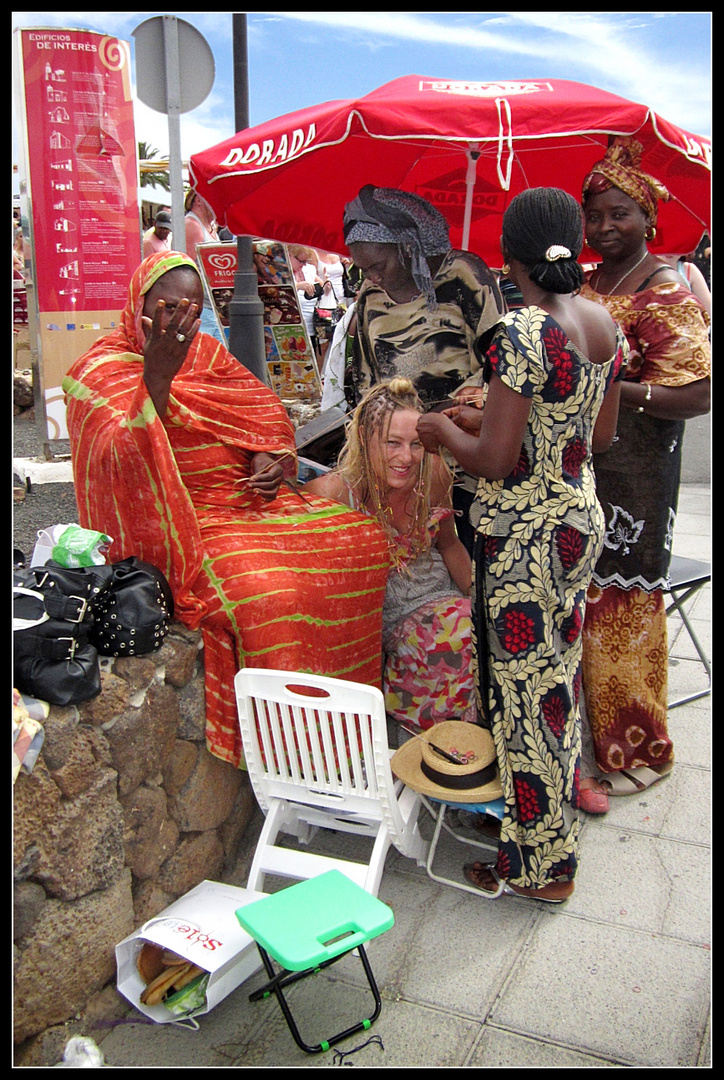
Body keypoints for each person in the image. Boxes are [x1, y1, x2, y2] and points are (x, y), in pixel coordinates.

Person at [61, 252, 391, 770]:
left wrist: (266, 456)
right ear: (138, 304)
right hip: (185, 522)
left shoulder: (210, 354)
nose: (179, 320)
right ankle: (289, 750)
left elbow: (265, 416)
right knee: (267, 593)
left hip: (249, 503)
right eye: (167, 307)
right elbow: (114, 464)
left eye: (191, 308)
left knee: (362, 541)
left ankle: (344, 732)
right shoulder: (98, 370)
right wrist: (156, 380)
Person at [417, 188, 626, 902]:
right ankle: (542, 841)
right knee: (553, 686)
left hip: (526, 540)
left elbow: (495, 461)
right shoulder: (602, 323)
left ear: (510, 258)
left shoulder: (523, 331)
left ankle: (543, 869)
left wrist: (444, 430)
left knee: (522, 703)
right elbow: (597, 436)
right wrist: (514, 421)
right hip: (577, 522)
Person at [577, 138, 711, 814]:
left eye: (619, 214)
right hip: (582, 473)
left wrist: (610, 385)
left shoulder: (666, 290)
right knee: (583, 606)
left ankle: (641, 748)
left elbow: (698, 396)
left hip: (636, 479)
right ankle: (590, 744)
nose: (604, 227)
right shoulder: (587, 285)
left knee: (624, 613)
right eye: (594, 214)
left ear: (649, 219)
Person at [303, 377, 476, 733]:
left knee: (501, 634)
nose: (406, 457)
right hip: (391, 622)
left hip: (447, 605)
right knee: (449, 646)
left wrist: (479, 599)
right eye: (392, 443)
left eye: (416, 444)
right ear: (365, 440)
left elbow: (450, 545)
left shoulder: (434, 474)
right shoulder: (333, 496)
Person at [342, 184, 507, 555]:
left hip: (464, 456)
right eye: (363, 270)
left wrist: (447, 415)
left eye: (378, 266)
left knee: (461, 550)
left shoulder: (464, 275)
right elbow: (368, 381)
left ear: (407, 246)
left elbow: (501, 368)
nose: (372, 278)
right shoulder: (370, 297)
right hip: (400, 459)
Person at [288, 244, 323, 354]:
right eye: (301, 261)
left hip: (310, 322)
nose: (303, 265)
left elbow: (322, 284)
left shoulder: (308, 270)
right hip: (292, 323)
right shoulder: (282, 273)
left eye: (306, 262)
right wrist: (298, 286)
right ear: (289, 256)